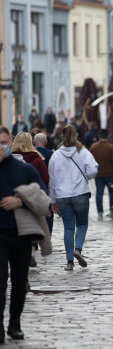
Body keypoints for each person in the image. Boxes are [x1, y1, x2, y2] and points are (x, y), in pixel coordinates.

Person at [0, 126, 49, 342]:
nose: (0, 147)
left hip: (21, 233)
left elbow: (43, 195)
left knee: (20, 281)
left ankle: (14, 324)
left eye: (3, 142)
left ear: (10, 141)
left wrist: (20, 200)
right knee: (0, 281)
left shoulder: (23, 169)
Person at [49, 125, 99, 271]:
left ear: (62, 137)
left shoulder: (55, 155)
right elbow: (93, 170)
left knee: (68, 228)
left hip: (62, 195)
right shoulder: (83, 152)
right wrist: (84, 177)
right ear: (76, 136)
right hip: (80, 193)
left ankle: (69, 262)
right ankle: (78, 249)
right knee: (82, 224)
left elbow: (51, 180)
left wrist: (53, 200)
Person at [90, 129, 113, 220]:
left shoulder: (93, 146)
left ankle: (100, 212)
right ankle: (111, 211)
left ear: (99, 136)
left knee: (99, 193)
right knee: (111, 193)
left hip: (98, 174)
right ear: (107, 136)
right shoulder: (110, 147)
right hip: (109, 174)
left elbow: (90, 160)